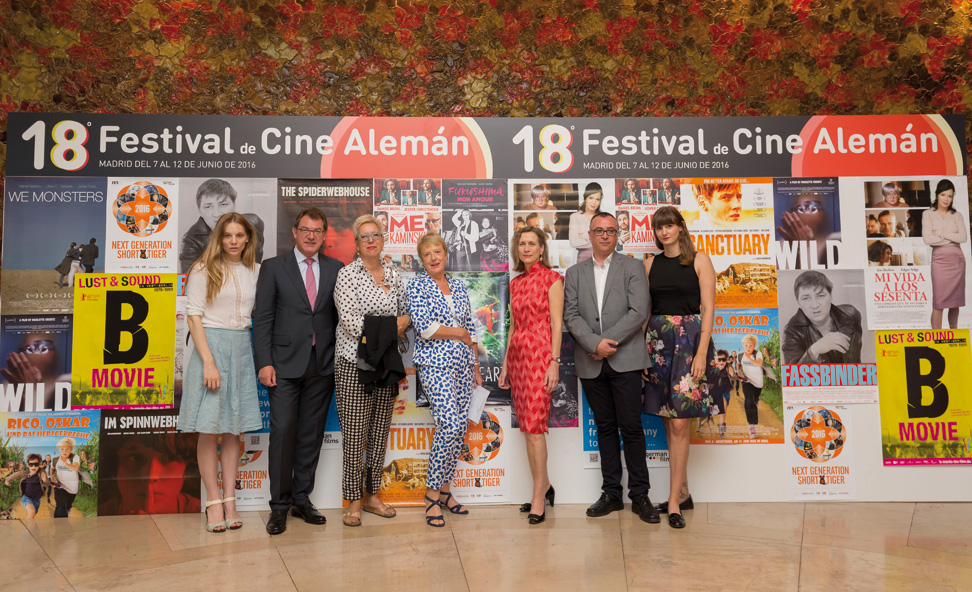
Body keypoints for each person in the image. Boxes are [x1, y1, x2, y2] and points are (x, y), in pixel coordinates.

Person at [563, 212, 658, 524]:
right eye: (598, 231)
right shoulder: (575, 272)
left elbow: (638, 310)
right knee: (604, 428)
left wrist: (604, 343)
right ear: (589, 236)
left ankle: (641, 495)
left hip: (625, 359)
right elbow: (571, 315)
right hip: (591, 362)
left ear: (618, 235)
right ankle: (612, 494)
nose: (604, 235)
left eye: (610, 230)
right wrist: (594, 345)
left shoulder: (632, 267)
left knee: (631, 428)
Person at [254, 207, 343, 535]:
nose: (310, 235)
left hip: (322, 366)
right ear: (294, 232)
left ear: (323, 236)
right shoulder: (274, 268)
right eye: (305, 229)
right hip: (282, 366)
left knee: (310, 435)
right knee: (283, 434)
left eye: (317, 231)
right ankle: (278, 506)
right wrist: (264, 362)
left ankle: (301, 499)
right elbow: (262, 318)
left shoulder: (337, 269)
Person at [178, 212, 262, 533]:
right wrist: (209, 362)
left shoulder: (256, 270)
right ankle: (213, 501)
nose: (233, 241)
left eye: (239, 235)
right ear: (219, 238)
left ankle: (230, 499)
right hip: (209, 348)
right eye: (227, 235)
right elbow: (194, 316)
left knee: (233, 428)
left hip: (241, 348)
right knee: (209, 428)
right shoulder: (202, 268)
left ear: (248, 239)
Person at [333, 215, 410, 527]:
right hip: (354, 364)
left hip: (387, 364)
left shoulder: (393, 274)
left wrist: (387, 328)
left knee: (378, 435)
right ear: (356, 242)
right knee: (354, 436)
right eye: (364, 236)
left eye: (375, 235)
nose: (370, 240)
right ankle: (354, 501)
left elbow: (407, 315)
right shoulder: (347, 275)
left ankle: (373, 495)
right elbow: (351, 324)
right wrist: (391, 327)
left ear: (383, 238)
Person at [642, 206, 716, 529]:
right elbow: (644, 313)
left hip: (689, 344)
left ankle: (673, 503)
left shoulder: (700, 260)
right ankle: (683, 491)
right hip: (658, 344)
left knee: (680, 425)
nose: (664, 232)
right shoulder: (648, 265)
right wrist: (641, 353)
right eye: (659, 227)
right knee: (669, 422)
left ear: (680, 227)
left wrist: (701, 353)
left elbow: (709, 310)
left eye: (669, 225)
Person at [406, 233, 482, 527]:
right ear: (422, 259)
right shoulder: (417, 286)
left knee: (460, 427)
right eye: (428, 254)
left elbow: (471, 326)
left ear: (446, 254)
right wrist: (459, 333)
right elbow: (425, 328)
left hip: (464, 365)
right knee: (449, 424)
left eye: (438, 251)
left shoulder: (460, 286)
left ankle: (447, 492)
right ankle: (431, 495)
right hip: (434, 365)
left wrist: (475, 365)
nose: (434, 257)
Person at [498, 226, 564, 524]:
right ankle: (545, 485)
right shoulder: (515, 284)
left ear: (541, 249)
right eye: (521, 244)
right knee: (528, 428)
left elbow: (557, 324)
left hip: (541, 358)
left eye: (532, 244)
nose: (526, 248)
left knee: (536, 428)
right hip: (519, 360)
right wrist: (504, 365)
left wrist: (554, 362)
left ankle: (538, 494)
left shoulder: (552, 280)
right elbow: (512, 327)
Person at [97, 430, 201, 515]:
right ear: (115, 466)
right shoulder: (95, 515)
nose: (151, 476)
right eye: (135, 458)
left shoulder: (203, 514)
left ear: (187, 467)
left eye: (169, 458)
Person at [179, 179, 266, 273]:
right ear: (199, 210)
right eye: (208, 206)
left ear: (234, 205)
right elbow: (189, 282)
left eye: (223, 204)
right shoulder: (191, 242)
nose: (217, 214)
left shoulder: (253, 224)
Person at [782, 271, 863, 367]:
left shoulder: (851, 315)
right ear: (798, 303)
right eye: (806, 298)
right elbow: (793, 376)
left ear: (830, 296)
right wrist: (814, 350)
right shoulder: (791, 333)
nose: (815, 305)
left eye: (820, 296)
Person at [922, 179, 967, 329]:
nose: (946, 199)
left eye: (950, 196)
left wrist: (941, 233)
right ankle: (936, 338)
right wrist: (951, 237)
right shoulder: (928, 214)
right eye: (943, 195)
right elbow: (928, 239)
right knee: (939, 302)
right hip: (939, 261)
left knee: (955, 302)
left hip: (957, 261)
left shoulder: (957, 215)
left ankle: (953, 333)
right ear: (937, 195)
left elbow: (963, 238)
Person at [1, 331, 70, 412]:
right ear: (21, 354)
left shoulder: (63, 389)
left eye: (43, 349)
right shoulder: (6, 388)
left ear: (53, 354)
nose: (36, 354)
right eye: (30, 349)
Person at [736, 334, 765, 439]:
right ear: (743, 345)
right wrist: (738, 370)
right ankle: (752, 427)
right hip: (747, 380)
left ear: (754, 346)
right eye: (746, 345)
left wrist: (749, 358)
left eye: (750, 345)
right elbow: (738, 363)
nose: (748, 347)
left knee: (754, 398)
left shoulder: (758, 353)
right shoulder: (740, 355)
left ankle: (756, 400)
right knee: (748, 401)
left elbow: (758, 364)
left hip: (758, 382)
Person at [4, 453, 48, 519]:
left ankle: (30, 528)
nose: (33, 467)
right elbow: (16, 474)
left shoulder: (41, 473)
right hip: (26, 498)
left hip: (37, 500)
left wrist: (45, 480)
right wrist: (7, 480)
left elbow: (47, 484)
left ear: (39, 465)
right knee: (32, 511)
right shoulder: (25, 474)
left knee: (32, 515)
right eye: (31, 464)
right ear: (27, 465)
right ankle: (27, 529)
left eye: (36, 464)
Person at [568, 183, 602, 262]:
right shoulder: (575, 217)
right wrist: (596, 241)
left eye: (597, 199)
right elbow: (573, 243)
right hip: (583, 262)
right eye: (591, 198)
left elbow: (606, 241)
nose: (594, 202)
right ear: (585, 197)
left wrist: (583, 237)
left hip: (602, 260)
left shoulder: (603, 217)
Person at [52, 437, 81, 517]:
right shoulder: (55, 460)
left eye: (67, 449)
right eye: (62, 449)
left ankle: (68, 507)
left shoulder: (75, 457)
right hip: (60, 486)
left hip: (72, 488)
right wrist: (52, 475)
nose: (64, 451)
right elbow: (52, 468)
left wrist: (66, 463)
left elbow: (75, 468)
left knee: (67, 505)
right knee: (60, 506)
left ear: (71, 449)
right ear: (59, 449)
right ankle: (60, 527)